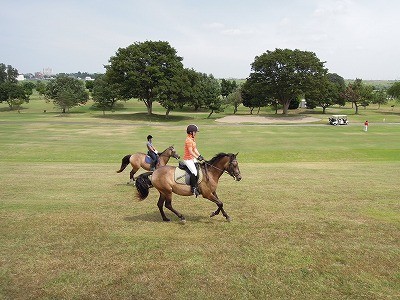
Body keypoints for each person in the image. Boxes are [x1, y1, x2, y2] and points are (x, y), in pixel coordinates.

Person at [183, 124, 204, 197]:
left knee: (199, 167)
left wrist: (199, 155)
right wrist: (197, 157)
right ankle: (193, 188)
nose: (196, 133)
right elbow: (191, 151)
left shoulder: (192, 139)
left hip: (192, 158)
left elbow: (195, 149)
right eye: (195, 132)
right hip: (188, 159)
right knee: (194, 172)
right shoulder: (188, 140)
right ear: (191, 132)